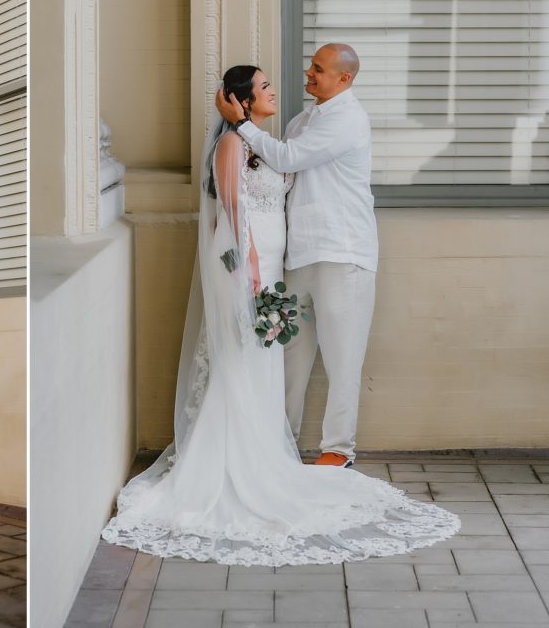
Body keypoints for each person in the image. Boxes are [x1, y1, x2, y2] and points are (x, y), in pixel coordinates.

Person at [101, 65, 459, 565]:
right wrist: (247, 270)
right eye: (265, 86)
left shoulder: (307, 129)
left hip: (287, 259)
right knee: (246, 356)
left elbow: (287, 166)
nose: (286, 84)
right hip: (254, 266)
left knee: (270, 357)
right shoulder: (238, 143)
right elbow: (230, 212)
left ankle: (282, 450)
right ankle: (237, 459)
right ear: (241, 101)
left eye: (314, 69)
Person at [217, 43, 374, 468]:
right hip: (295, 255)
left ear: (344, 79)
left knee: (343, 357)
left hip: (342, 251)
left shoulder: (348, 120)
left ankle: (338, 449)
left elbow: (287, 157)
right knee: (289, 355)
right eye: (311, 66)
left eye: (318, 70)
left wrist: (241, 125)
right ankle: (279, 443)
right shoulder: (303, 118)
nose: (308, 74)